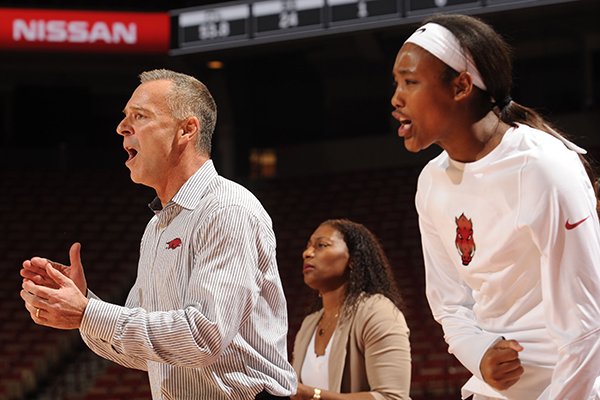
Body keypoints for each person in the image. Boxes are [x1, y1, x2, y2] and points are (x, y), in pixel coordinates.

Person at [20, 69, 297, 400]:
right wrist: (82, 307)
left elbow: (202, 337)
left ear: (186, 130)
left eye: (139, 116)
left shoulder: (227, 209)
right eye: (125, 118)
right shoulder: (157, 226)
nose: (121, 128)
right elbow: (145, 351)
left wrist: (87, 313)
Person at [391, 13, 600, 400]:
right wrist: (479, 352)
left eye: (411, 82)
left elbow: (587, 325)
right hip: (494, 390)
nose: (396, 98)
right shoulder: (430, 181)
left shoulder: (544, 167)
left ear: (461, 86)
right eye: (397, 83)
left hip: (574, 385)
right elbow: (449, 304)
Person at [290, 219, 411, 400]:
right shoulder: (309, 324)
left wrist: (312, 394)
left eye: (321, 245)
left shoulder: (377, 312)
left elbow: (392, 397)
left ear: (353, 259)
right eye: (307, 247)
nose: (307, 253)